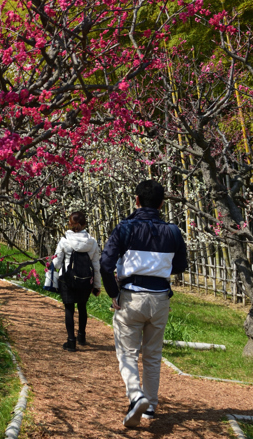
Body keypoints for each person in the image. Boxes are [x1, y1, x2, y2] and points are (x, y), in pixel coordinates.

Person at [100, 179, 188, 428]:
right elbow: (180, 266)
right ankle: (149, 406)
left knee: (127, 353)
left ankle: (135, 395)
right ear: (162, 203)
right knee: (152, 355)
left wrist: (113, 293)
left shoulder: (125, 228)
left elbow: (106, 265)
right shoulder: (173, 231)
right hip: (160, 299)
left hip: (130, 297)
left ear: (136, 201)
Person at [50, 211, 101, 351]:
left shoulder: (64, 241)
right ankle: (82, 336)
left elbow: (57, 262)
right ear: (84, 224)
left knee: (69, 309)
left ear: (69, 224)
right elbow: (96, 265)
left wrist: (59, 269)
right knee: (82, 307)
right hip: (85, 281)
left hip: (68, 280)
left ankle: (71, 341)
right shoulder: (92, 242)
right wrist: (96, 286)